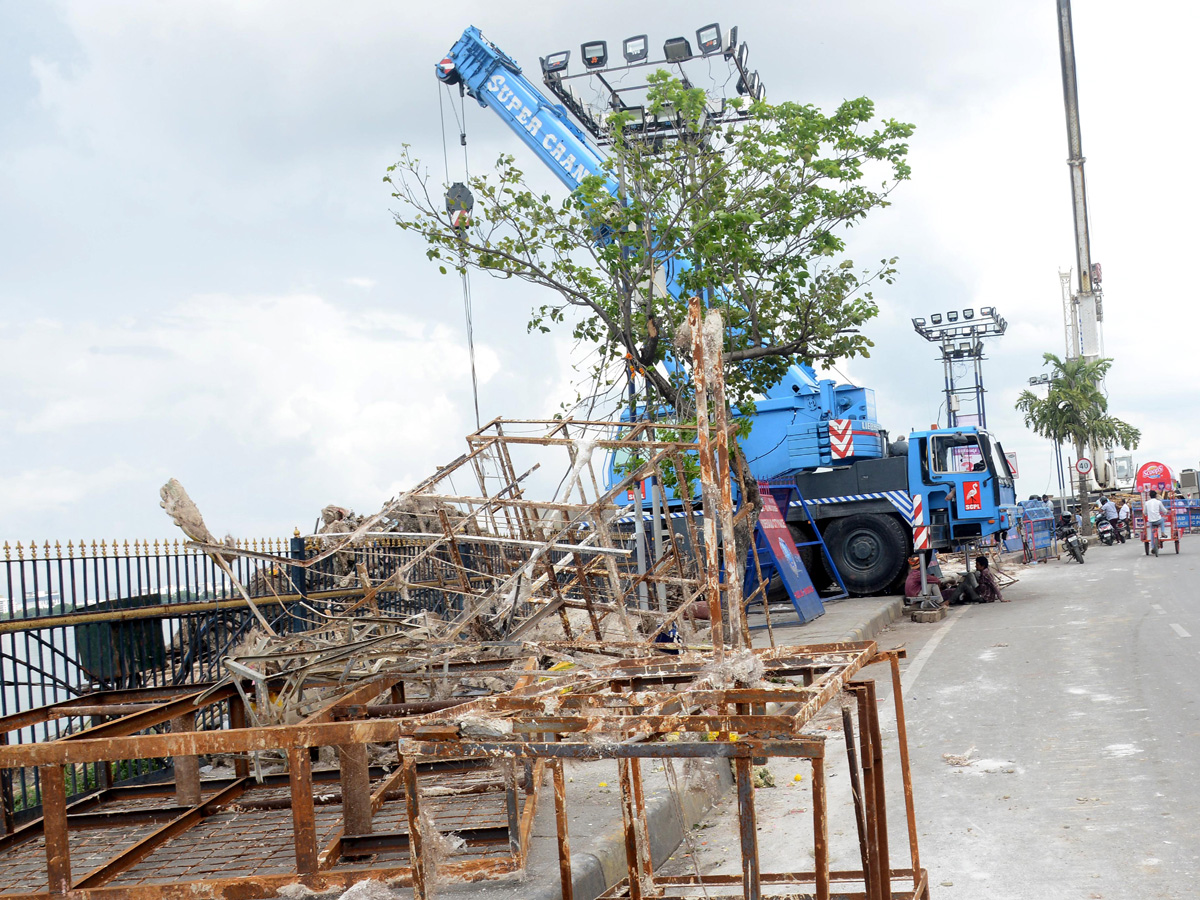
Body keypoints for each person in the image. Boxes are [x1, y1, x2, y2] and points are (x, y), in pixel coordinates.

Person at [1144, 490, 1168, 556]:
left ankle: (1152, 547)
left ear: (1150, 496)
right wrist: (1166, 512)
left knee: (1152, 533)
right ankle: (1162, 532)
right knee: (1162, 520)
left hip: (1151, 521)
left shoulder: (1146, 503)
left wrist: (1147, 514)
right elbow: (1164, 510)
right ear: (1156, 495)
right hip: (1158, 520)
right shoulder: (1159, 502)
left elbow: (1145, 512)